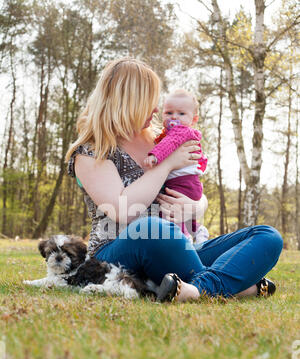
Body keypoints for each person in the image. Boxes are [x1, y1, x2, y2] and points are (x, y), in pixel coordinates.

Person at [66, 57, 283, 302]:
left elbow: (194, 188)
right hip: (117, 252)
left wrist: (195, 206)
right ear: (129, 103)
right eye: (150, 102)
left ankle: (197, 289)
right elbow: (123, 211)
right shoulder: (91, 151)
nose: (157, 110)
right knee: (151, 228)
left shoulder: (160, 140)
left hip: (180, 244)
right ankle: (238, 286)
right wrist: (168, 163)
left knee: (267, 236)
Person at [144, 89, 208, 243]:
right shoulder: (165, 133)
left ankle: (183, 239)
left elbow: (169, 144)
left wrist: (155, 156)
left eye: (181, 114)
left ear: (193, 119)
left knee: (170, 213)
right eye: (169, 112)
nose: (174, 117)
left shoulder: (182, 132)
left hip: (183, 183)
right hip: (185, 183)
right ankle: (197, 230)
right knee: (177, 211)